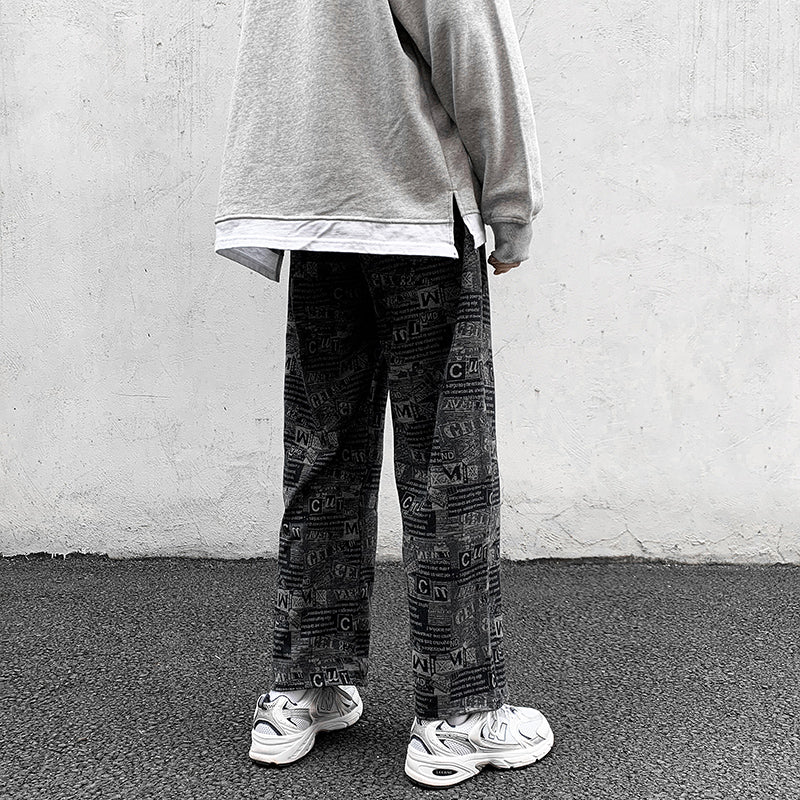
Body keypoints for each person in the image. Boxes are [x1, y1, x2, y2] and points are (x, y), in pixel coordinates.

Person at [213, 0, 553, 789]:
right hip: (416, 208)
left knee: (323, 451)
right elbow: (470, 38)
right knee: (447, 464)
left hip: (316, 214)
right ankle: (459, 716)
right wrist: (511, 201)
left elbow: (281, 63)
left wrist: (266, 206)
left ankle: (303, 689)